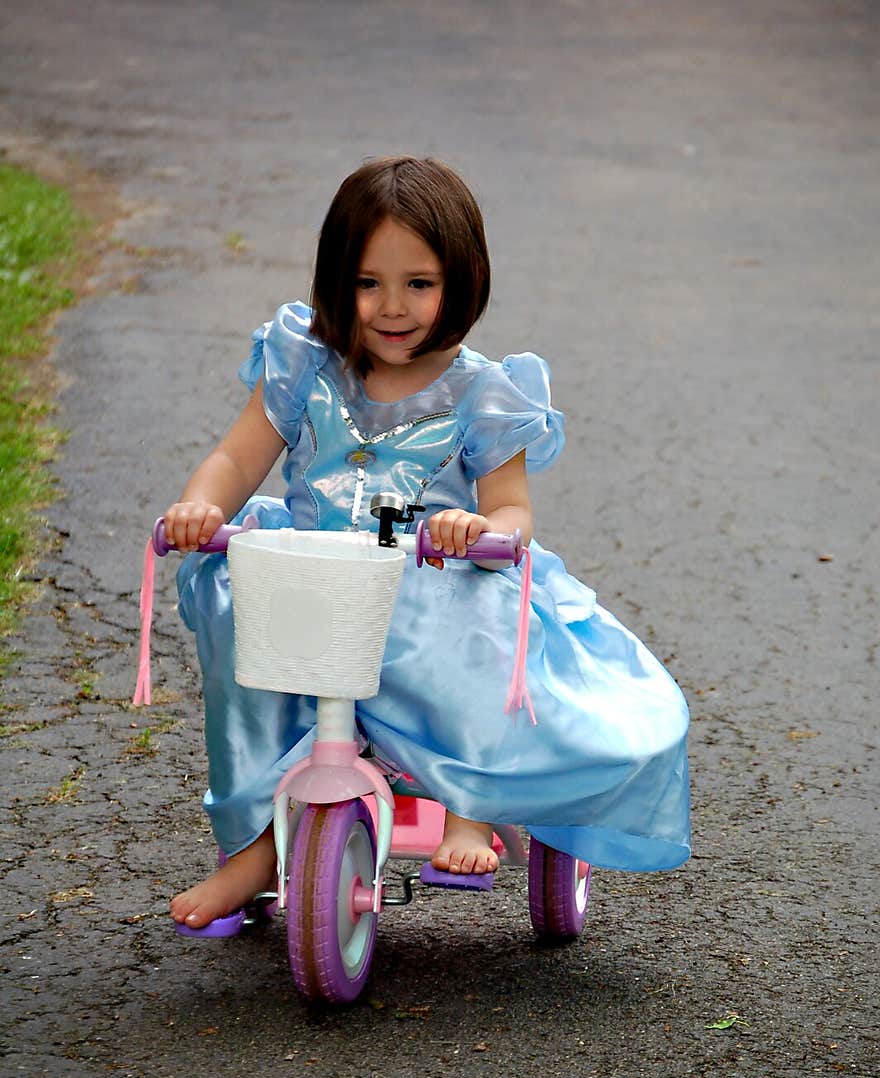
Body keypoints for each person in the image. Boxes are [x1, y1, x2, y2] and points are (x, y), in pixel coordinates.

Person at [159, 155, 690, 930]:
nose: (391, 307)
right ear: (336, 279)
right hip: (319, 580)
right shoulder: (307, 363)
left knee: (457, 624)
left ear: (462, 280)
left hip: (428, 576)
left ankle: (468, 800)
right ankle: (254, 842)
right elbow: (240, 456)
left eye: (419, 283)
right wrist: (201, 506)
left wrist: (479, 528)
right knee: (245, 615)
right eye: (368, 282)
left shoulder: (483, 392)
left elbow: (513, 512)